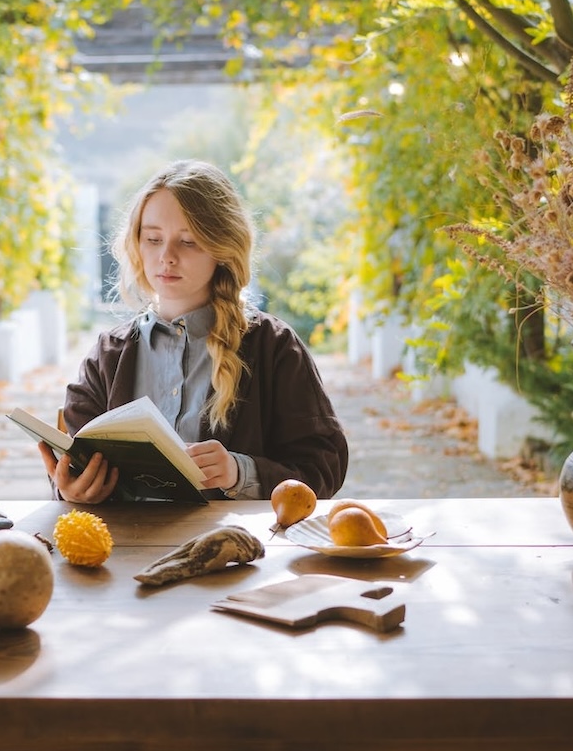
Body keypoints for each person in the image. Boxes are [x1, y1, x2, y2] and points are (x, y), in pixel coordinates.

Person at [40, 159, 348, 502]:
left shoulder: (274, 347)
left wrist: (238, 472)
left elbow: (325, 466)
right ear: (136, 244)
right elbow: (70, 470)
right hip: (122, 552)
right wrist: (68, 489)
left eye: (188, 242)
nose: (166, 257)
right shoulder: (107, 356)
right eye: (153, 239)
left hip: (241, 551)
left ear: (223, 248)